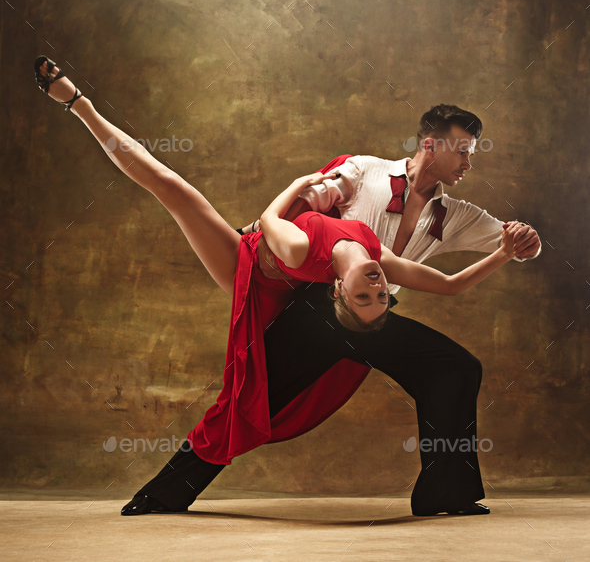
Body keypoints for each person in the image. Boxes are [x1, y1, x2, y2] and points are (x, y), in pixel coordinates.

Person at [34, 58, 532, 517]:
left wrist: (519, 244)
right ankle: (161, 494)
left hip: (360, 314)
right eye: (462, 150)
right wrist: (302, 196)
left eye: (472, 151)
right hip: (309, 301)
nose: (469, 161)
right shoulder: (366, 174)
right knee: (248, 403)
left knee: (454, 368)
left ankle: (446, 491)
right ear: (430, 145)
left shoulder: (428, 237)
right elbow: (324, 189)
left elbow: (465, 271)